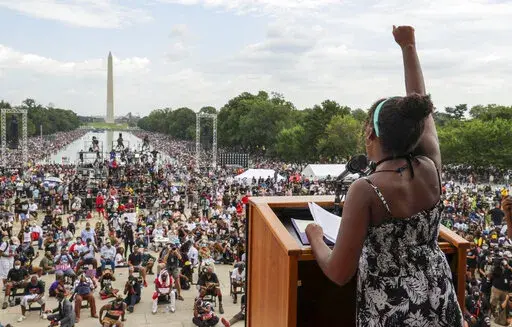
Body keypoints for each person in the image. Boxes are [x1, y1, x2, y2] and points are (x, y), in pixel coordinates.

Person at [305, 25, 463, 326]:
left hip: (392, 308)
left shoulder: (366, 189)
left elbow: (339, 272)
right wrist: (408, 46)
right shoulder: (431, 166)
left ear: (371, 134)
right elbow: (421, 107)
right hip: (439, 294)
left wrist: (314, 237)